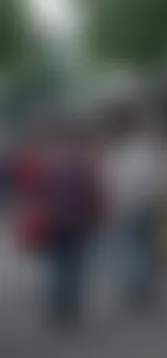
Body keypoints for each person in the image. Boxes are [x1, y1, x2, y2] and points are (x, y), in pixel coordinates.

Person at [30, 124, 104, 328]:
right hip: (78, 222)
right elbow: (93, 194)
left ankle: (57, 305)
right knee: (74, 266)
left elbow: (37, 194)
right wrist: (97, 216)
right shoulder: (83, 166)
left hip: (54, 221)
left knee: (57, 265)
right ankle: (70, 305)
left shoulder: (47, 166)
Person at [107, 113, 166, 310]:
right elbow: (160, 185)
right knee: (147, 248)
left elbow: (113, 184)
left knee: (130, 247)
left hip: (128, 208)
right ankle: (145, 285)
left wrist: (114, 207)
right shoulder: (152, 159)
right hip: (149, 208)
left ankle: (134, 286)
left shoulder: (121, 159)